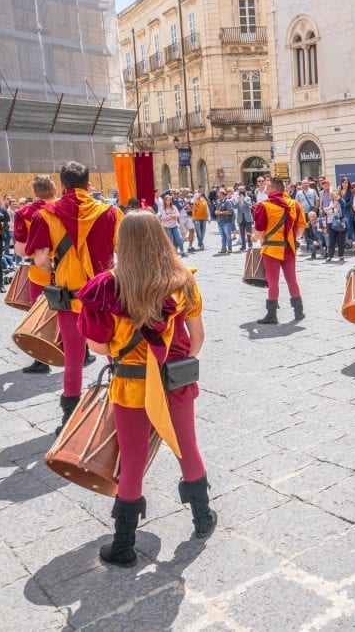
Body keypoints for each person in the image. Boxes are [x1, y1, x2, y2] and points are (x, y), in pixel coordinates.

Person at [77, 210, 215, 567]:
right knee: (188, 448)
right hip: (175, 383)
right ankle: (202, 519)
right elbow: (197, 338)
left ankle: (123, 544)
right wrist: (176, 365)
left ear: (123, 242)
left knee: (133, 459)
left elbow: (96, 346)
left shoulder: (107, 286)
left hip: (131, 385)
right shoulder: (183, 281)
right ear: (160, 237)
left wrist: (126, 353)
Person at [28, 161, 122, 435]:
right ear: (88, 184)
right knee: (115, 351)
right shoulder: (111, 212)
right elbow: (124, 253)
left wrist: (60, 264)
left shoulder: (45, 215)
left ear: (62, 185)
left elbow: (42, 261)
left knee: (73, 357)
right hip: (106, 295)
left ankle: (69, 419)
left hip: (70, 299)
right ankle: (122, 410)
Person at [14, 175, 59, 374]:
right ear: (55, 190)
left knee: (39, 313)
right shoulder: (67, 208)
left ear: (34, 193)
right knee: (75, 309)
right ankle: (82, 352)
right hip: (68, 268)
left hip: (40, 271)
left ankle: (42, 360)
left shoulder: (25, 212)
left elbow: (21, 250)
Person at [252, 177, 307, 325]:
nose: (264, 189)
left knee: (273, 281)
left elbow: (259, 231)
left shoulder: (263, 206)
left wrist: (254, 238)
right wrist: (289, 239)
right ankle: (299, 311)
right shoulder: (295, 205)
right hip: (289, 248)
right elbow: (301, 229)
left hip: (271, 250)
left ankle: (272, 315)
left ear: (274, 189)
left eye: (267, 187)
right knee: (292, 280)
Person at [324, 190, 347, 262]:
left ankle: (341, 255)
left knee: (341, 240)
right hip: (330, 223)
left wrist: (338, 199)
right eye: (334, 195)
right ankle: (330, 256)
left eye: (337, 194)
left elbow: (344, 205)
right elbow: (324, 210)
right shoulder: (329, 203)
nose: (335, 196)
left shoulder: (342, 202)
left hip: (340, 223)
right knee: (331, 240)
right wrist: (332, 206)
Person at [213, 189, 235, 254]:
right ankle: (223, 248)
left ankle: (230, 248)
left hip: (226, 221)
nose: (217, 194)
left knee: (228, 235)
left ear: (222, 194)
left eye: (219, 193)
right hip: (220, 221)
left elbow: (230, 211)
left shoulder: (227, 201)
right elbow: (217, 210)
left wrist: (220, 212)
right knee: (222, 236)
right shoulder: (218, 201)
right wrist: (216, 212)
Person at [236, 188, 255, 252]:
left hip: (248, 218)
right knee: (242, 233)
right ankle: (243, 245)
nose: (240, 196)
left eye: (241, 195)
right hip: (240, 218)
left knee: (249, 232)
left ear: (244, 195)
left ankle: (250, 245)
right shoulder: (238, 200)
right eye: (239, 195)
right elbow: (234, 207)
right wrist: (238, 201)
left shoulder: (248, 198)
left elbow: (250, 205)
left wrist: (243, 200)